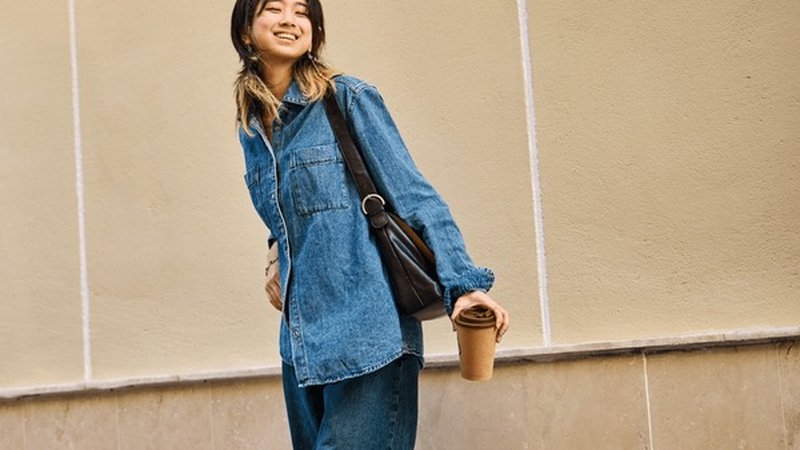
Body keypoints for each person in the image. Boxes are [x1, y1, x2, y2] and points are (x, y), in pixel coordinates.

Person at [230, 0, 510, 448]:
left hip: (369, 332)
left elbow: (414, 196)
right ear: (246, 31)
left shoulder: (346, 99)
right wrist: (274, 256)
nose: (289, 20)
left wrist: (464, 285)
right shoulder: (252, 128)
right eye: (274, 8)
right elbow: (285, 211)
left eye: (301, 12)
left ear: (314, 31)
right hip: (301, 346)